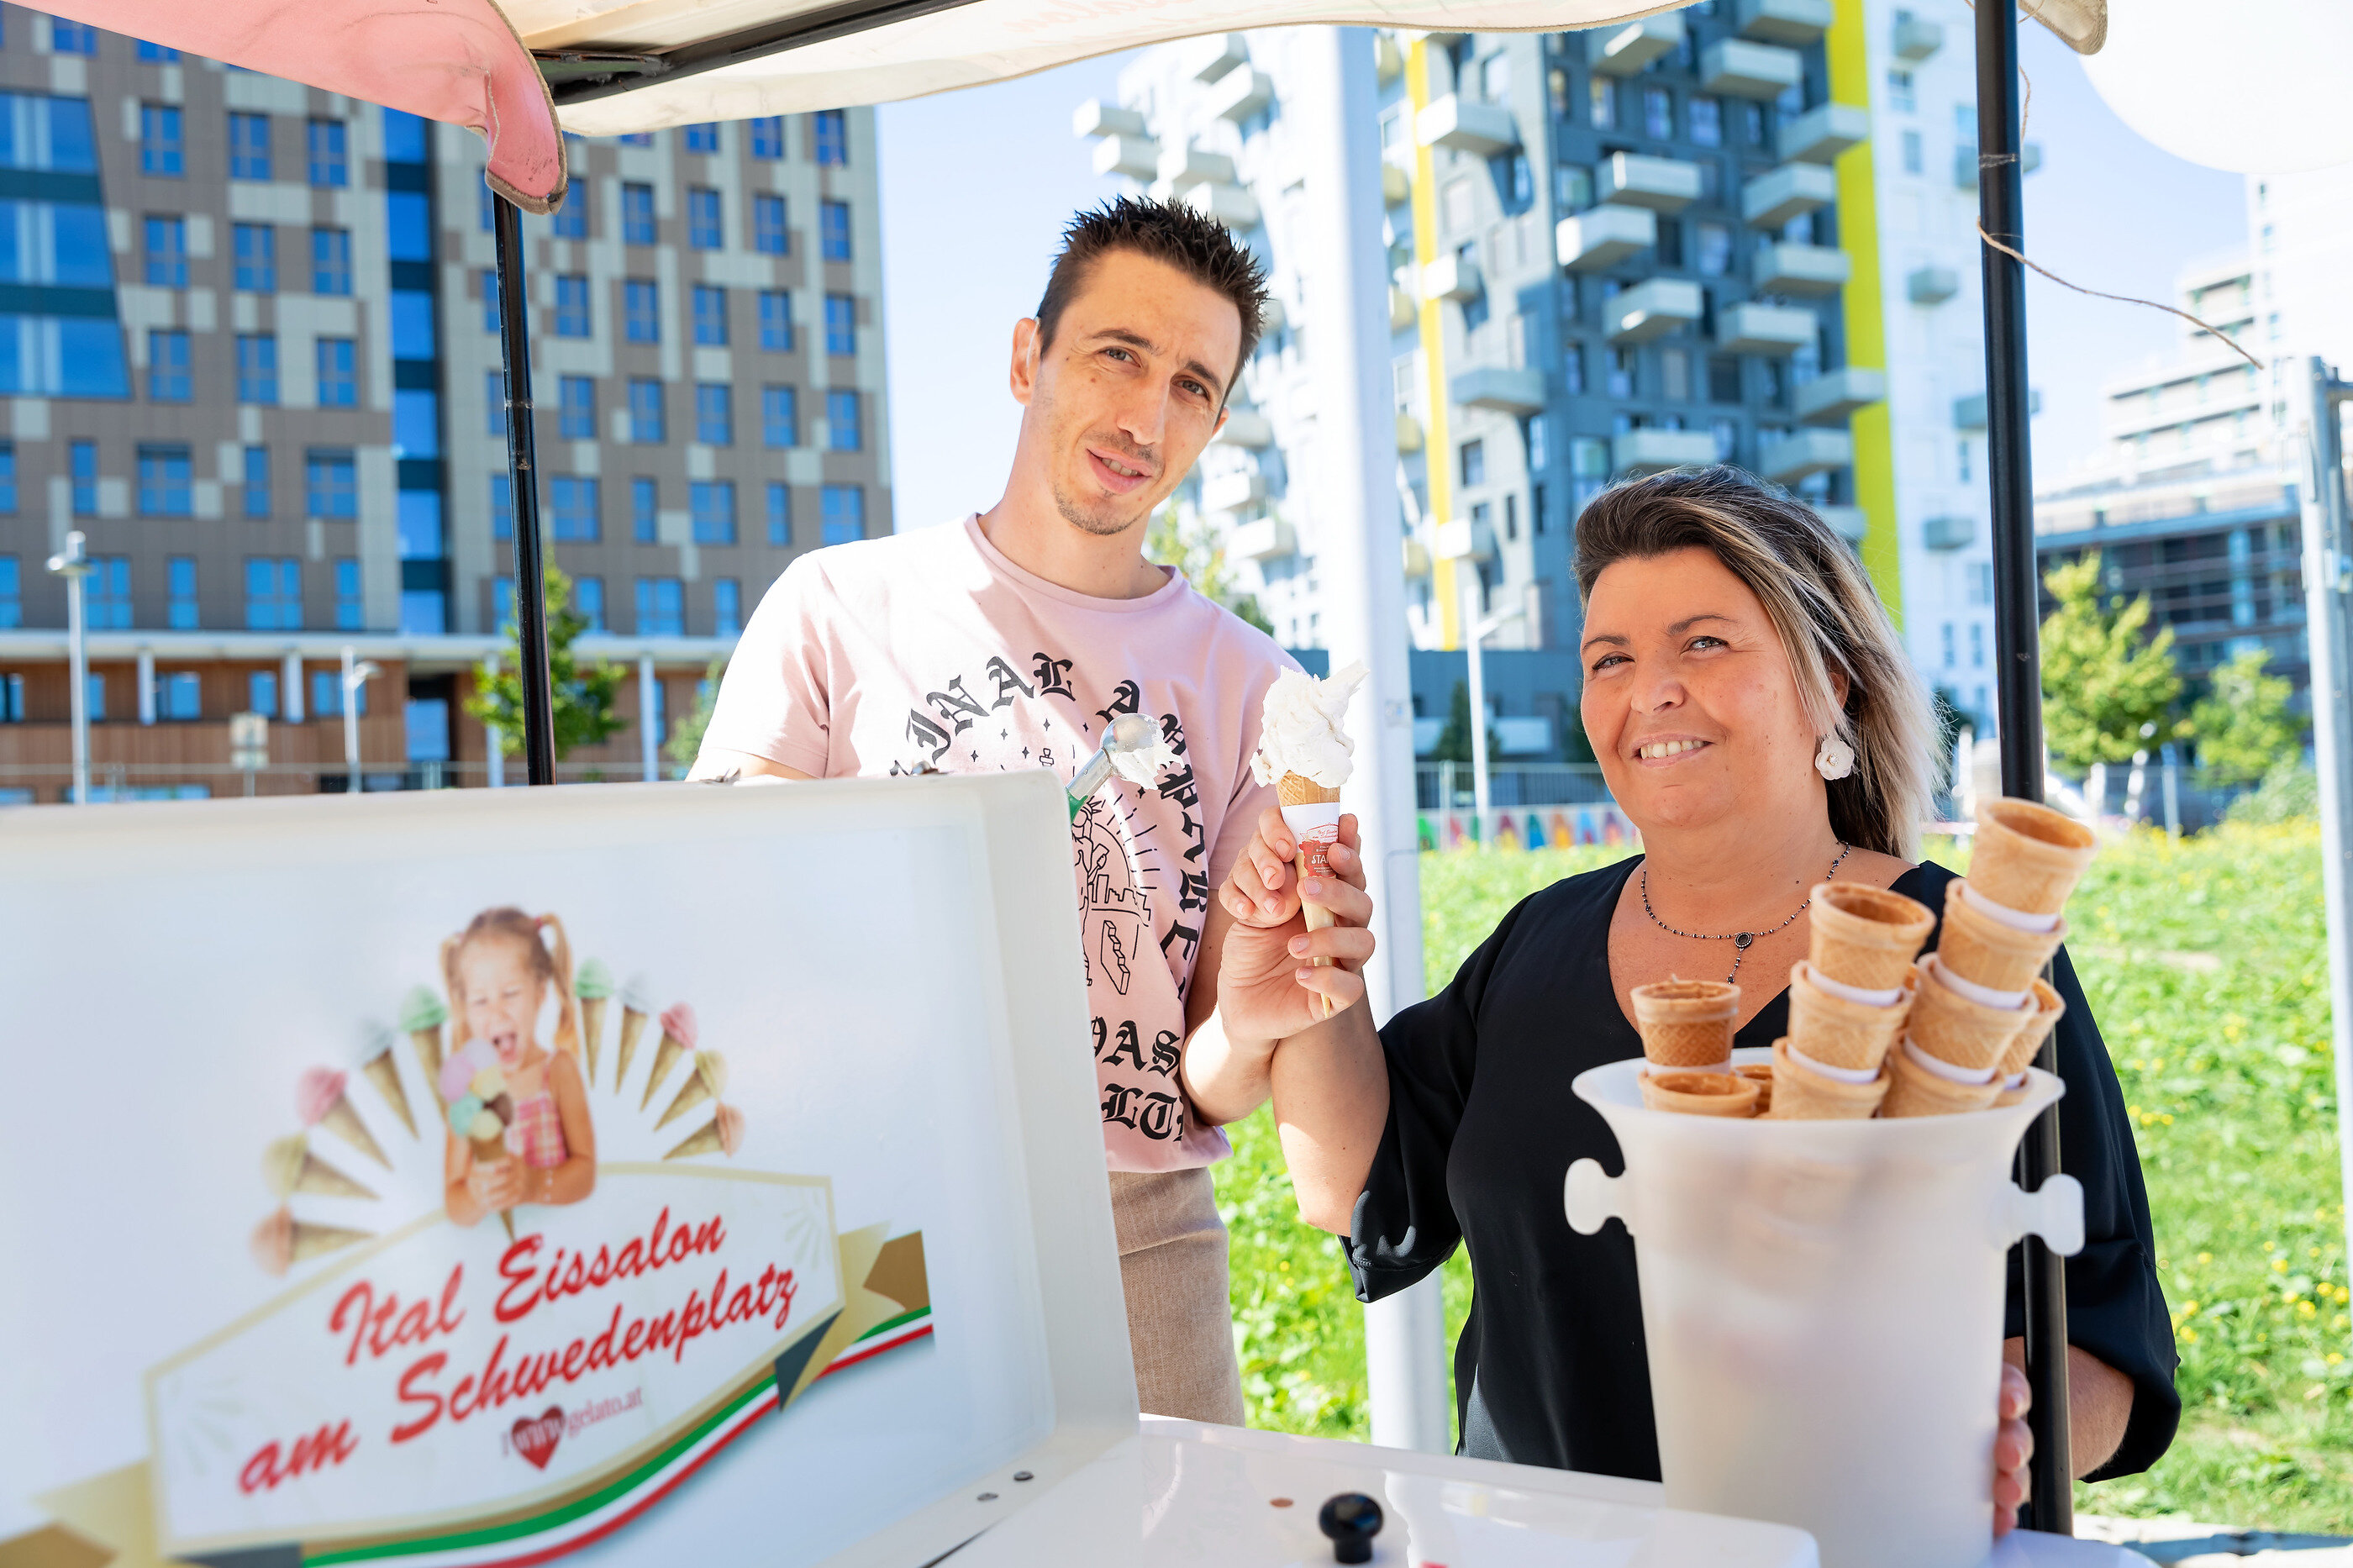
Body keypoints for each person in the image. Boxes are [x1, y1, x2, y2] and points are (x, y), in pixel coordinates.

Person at [1186, 467, 2178, 1530]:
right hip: (1533, 1550)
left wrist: (2005, 1429)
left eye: (1703, 643)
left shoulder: (1967, 968)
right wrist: (1313, 973)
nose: (1649, 689)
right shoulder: (1535, 942)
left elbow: (2102, 1340)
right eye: (1608, 659)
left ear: (1831, 685)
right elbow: (1353, 1185)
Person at [689, 197, 1291, 1424]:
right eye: (1117, 354)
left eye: (1191, 385)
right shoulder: (833, 606)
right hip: (859, 1217)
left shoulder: (1255, 684)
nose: (1146, 417)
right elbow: (721, 921)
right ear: (1028, 357)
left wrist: (1267, 1015)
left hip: (1140, 1246)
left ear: (1215, 423)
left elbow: (1208, 1073)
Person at [441, 908, 597, 1226]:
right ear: (465, 1008)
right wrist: (476, 1197)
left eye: (510, 994)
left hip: (566, 1245)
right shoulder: (469, 1090)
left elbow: (585, 1173)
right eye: (480, 1001)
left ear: (540, 994)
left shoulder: (557, 1070)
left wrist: (535, 1185)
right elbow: (455, 1204)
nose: (496, 1012)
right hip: (506, 1254)